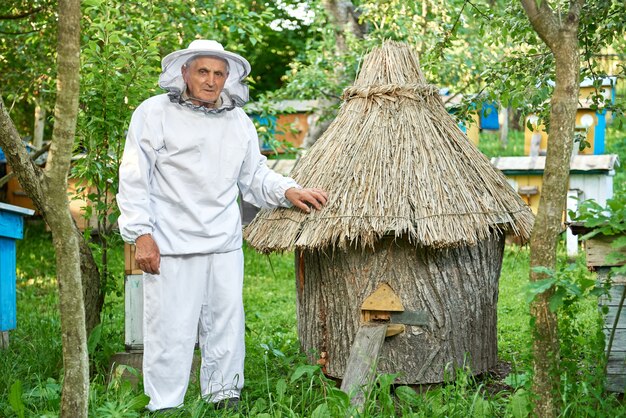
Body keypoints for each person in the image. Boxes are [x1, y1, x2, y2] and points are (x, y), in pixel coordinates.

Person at [116, 39, 327, 413]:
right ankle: (165, 404)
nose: (211, 81)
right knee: (169, 330)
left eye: (218, 73)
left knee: (225, 325)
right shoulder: (153, 113)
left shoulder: (238, 121)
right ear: (184, 73)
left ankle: (224, 397)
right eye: (203, 71)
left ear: (227, 78)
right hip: (170, 244)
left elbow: (254, 175)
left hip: (224, 242)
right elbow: (134, 178)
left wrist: (289, 189)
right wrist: (141, 235)